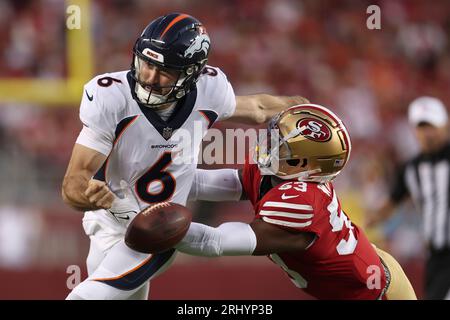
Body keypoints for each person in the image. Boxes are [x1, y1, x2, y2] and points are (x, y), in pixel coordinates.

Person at [61, 13, 308, 300]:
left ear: (192, 73)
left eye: (164, 70)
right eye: (147, 64)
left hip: (157, 231)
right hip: (108, 223)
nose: (151, 78)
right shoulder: (110, 97)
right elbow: (72, 183)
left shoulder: (209, 91)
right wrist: (88, 194)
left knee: (88, 297)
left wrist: (299, 107)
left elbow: (257, 108)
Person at [173, 104, 417, 299]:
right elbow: (223, 183)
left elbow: (215, 242)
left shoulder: (302, 202)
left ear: (301, 164)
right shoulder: (280, 172)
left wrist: (154, 227)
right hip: (364, 270)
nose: (268, 145)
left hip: (377, 292)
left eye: (281, 145)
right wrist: (161, 181)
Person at [366, 96, 450, 300]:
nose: (427, 133)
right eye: (422, 127)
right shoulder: (411, 169)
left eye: (431, 126)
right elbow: (393, 201)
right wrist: (367, 222)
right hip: (435, 255)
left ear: (444, 126)